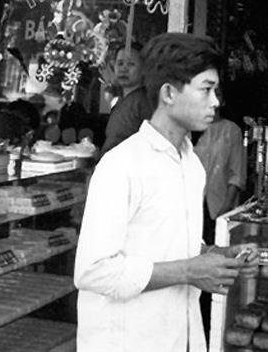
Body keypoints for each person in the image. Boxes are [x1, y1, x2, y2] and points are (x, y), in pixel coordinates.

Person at [74, 32, 257, 352]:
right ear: (169, 93)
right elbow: (93, 271)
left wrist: (217, 257)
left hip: (176, 337)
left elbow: (170, 245)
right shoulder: (122, 165)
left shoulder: (190, 165)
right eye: (206, 89)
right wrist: (189, 271)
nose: (215, 101)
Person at [194, 105, 246, 242]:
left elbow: (237, 175)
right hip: (193, 203)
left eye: (217, 92)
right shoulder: (191, 127)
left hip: (219, 205)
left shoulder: (232, 130)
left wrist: (225, 210)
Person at [99, 40, 152, 157]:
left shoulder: (143, 101)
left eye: (131, 64)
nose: (124, 69)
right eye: (120, 63)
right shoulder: (120, 101)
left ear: (144, 69)